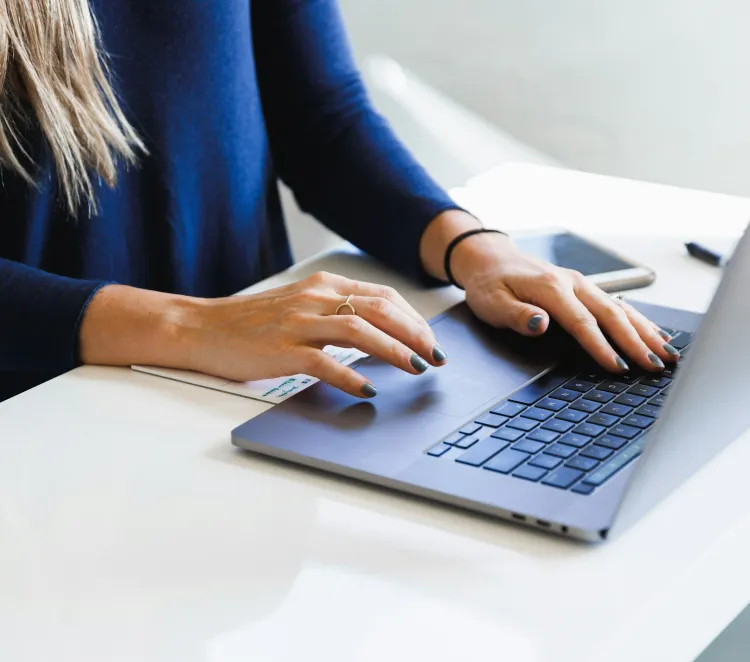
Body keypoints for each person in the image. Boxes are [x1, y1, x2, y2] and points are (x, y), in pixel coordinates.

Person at [0, 0, 679, 404]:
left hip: (248, 393)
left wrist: (475, 250)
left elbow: (319, 116)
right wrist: (190, 326)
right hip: (44, 419)